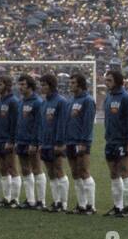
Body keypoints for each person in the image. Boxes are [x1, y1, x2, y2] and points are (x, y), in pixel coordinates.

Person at [102, 69, 128, 216]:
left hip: (123, 141)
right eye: (106, 80)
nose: (106, 82)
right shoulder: (108, 97)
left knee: (126, 172)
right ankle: (118, 206)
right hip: (110, 141)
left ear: (117, 81)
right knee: (113, 173)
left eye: (109, 80)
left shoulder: (126, 97)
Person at [36, 73, 69, 212]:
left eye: (44, 85)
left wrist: (60, 143)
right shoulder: (44, 103)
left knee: (59, 170)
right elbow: (42, 125)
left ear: (51, 85)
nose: (41, 87)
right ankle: (56, 202)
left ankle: (63, 203)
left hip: (56, 143)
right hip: (46, 142)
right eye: (41, 84)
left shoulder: (61, 102)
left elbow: (62, 124)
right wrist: (41, 142)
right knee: (50, 172)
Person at [65, 73, 96, 214]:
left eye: (73, 83)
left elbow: (88, 123)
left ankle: (91, 205)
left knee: (84, 171)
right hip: (70, 141)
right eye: (70, 82)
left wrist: (84, 142)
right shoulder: (71, 101)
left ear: (80, 84)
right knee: (75, 173)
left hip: (81, 141)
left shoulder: (88, 100)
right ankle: (81, 205)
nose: (70, 85)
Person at [14, 73, 43, 209]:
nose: (20, 87)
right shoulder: (21, 102)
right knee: (25, 169)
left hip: (32, 141)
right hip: (21, 140)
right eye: (19, 84)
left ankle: (41, 201)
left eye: (23, 84)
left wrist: (35, 142)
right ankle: (30, 200)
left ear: (30, 86)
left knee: (37, 169)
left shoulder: (37, 102)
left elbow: (39, 124)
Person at [0, 74, 20, 207]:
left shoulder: (13, 101)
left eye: (0, 85)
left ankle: (15, 199)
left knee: (12, 169)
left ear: (8, 86)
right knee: (2, 169)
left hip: (8, 140)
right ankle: (6, 198)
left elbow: (15, 123)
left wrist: (12, 140)